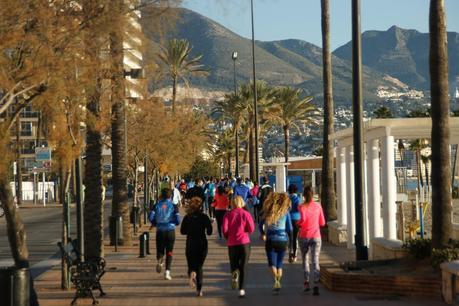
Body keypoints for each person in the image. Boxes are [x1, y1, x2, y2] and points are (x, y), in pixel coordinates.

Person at [259, 192, 292, 294]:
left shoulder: (268, 211)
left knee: (271, 263)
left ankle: (276, 281)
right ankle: (278, 281)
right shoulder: (286, 212)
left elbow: (260, 224)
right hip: (283, 240)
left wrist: (263, 233)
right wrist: (290, 241)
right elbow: (290, 228)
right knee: (279, 264)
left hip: (271, 239)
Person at [222, 196, 255, 298]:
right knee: (244, 267)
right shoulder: (246, 214)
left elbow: (224, 230)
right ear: (242, 203)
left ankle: (234, 273)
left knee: (234, 263)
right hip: (244, 242)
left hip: (232, 243)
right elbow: (251, 229)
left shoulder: (228, 215)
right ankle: (241, 289)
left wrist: (228, 237)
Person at [180, 197, 213, 297]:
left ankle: (192, 273)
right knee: (199, 266)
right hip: (202, 243)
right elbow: (210, 232)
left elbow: (182, 231)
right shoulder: (204, 217)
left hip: (190, 243)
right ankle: (199, 290)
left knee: (191, 265)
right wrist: (208, 225)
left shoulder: (187, 217)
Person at [297, 186, 325, 295]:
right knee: (315, 260)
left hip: (304, 236)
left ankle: (306, 283)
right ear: (313, 195)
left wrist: (298, 223)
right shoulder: (318, 206)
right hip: (316, 236)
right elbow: (322, 223)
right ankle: (316, 284)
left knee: (305, 259)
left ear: (303, 195)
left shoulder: (301, 207)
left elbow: (302, 220)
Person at [149, 188, 181, 280]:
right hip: (170, 231)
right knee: (169, 251)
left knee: (160, 249)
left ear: (161, 195)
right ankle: (167, 272)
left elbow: (150, 217)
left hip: (160, 231)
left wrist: (155, 223)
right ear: (171, 196)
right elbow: (178, 220)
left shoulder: (156, 205)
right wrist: (173, 222)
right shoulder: (174, 206)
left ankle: (159, 260)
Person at [287, 184, 301, 263]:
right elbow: (299, 209)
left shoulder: (287, 199)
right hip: (296, 220)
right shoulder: (297, 199)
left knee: (290, 238)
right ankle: (295, 255)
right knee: (295, 238)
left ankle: (290, 252)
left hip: (288, 220)